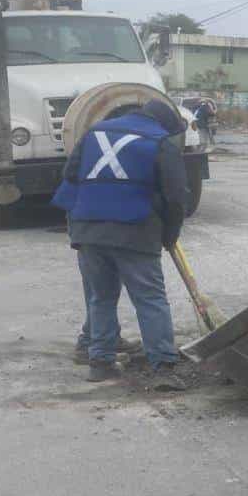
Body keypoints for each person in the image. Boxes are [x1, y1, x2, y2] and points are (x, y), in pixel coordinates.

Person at [52, 99, 188, 391]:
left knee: (100, 297)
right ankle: (163, 366)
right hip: (135, 231)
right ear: (163, 124)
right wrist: (170, 234)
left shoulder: (94, 133)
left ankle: (99, 363)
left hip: (88, 229)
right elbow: (176, 198)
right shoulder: (161, 143)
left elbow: (69, 177)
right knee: (150, 299)